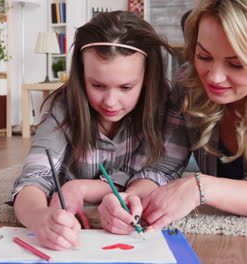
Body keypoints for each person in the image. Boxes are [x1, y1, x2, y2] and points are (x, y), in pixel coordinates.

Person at [98, 0, 247, 235]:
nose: (215, 78)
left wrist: (200, 187)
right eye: (204, 56)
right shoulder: (188, 80)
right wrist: (132, 198)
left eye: (236, 63)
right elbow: (163, 166)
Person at [9, 11, 174, 250]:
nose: (110, 101)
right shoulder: (62, 107)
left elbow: (159, 174)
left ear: (147, 77)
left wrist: (81, 187)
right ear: (81, 75)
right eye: (97, 85)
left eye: (126, 87)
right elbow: (34, 178)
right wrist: (38, 218)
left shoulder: (166, 106)